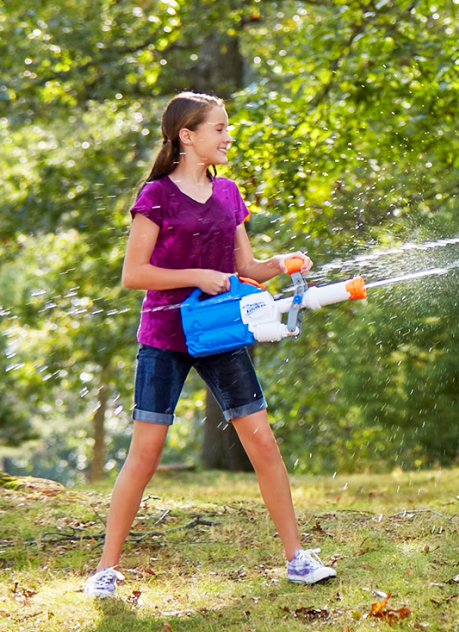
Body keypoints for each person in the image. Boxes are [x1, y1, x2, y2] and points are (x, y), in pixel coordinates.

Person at [83, 92, 335, 598]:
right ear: (187, 136)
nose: (227, 136)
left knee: (263, 442)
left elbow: (246, 269)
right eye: (219, 129)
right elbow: (134, 273)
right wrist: (197, 273)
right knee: (146, 454)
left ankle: (297, 559)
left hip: (221, 334)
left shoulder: (230, 194)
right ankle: (106, 570)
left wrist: (282, 264)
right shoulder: (155, 195)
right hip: (165, 337)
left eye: (226, 128)